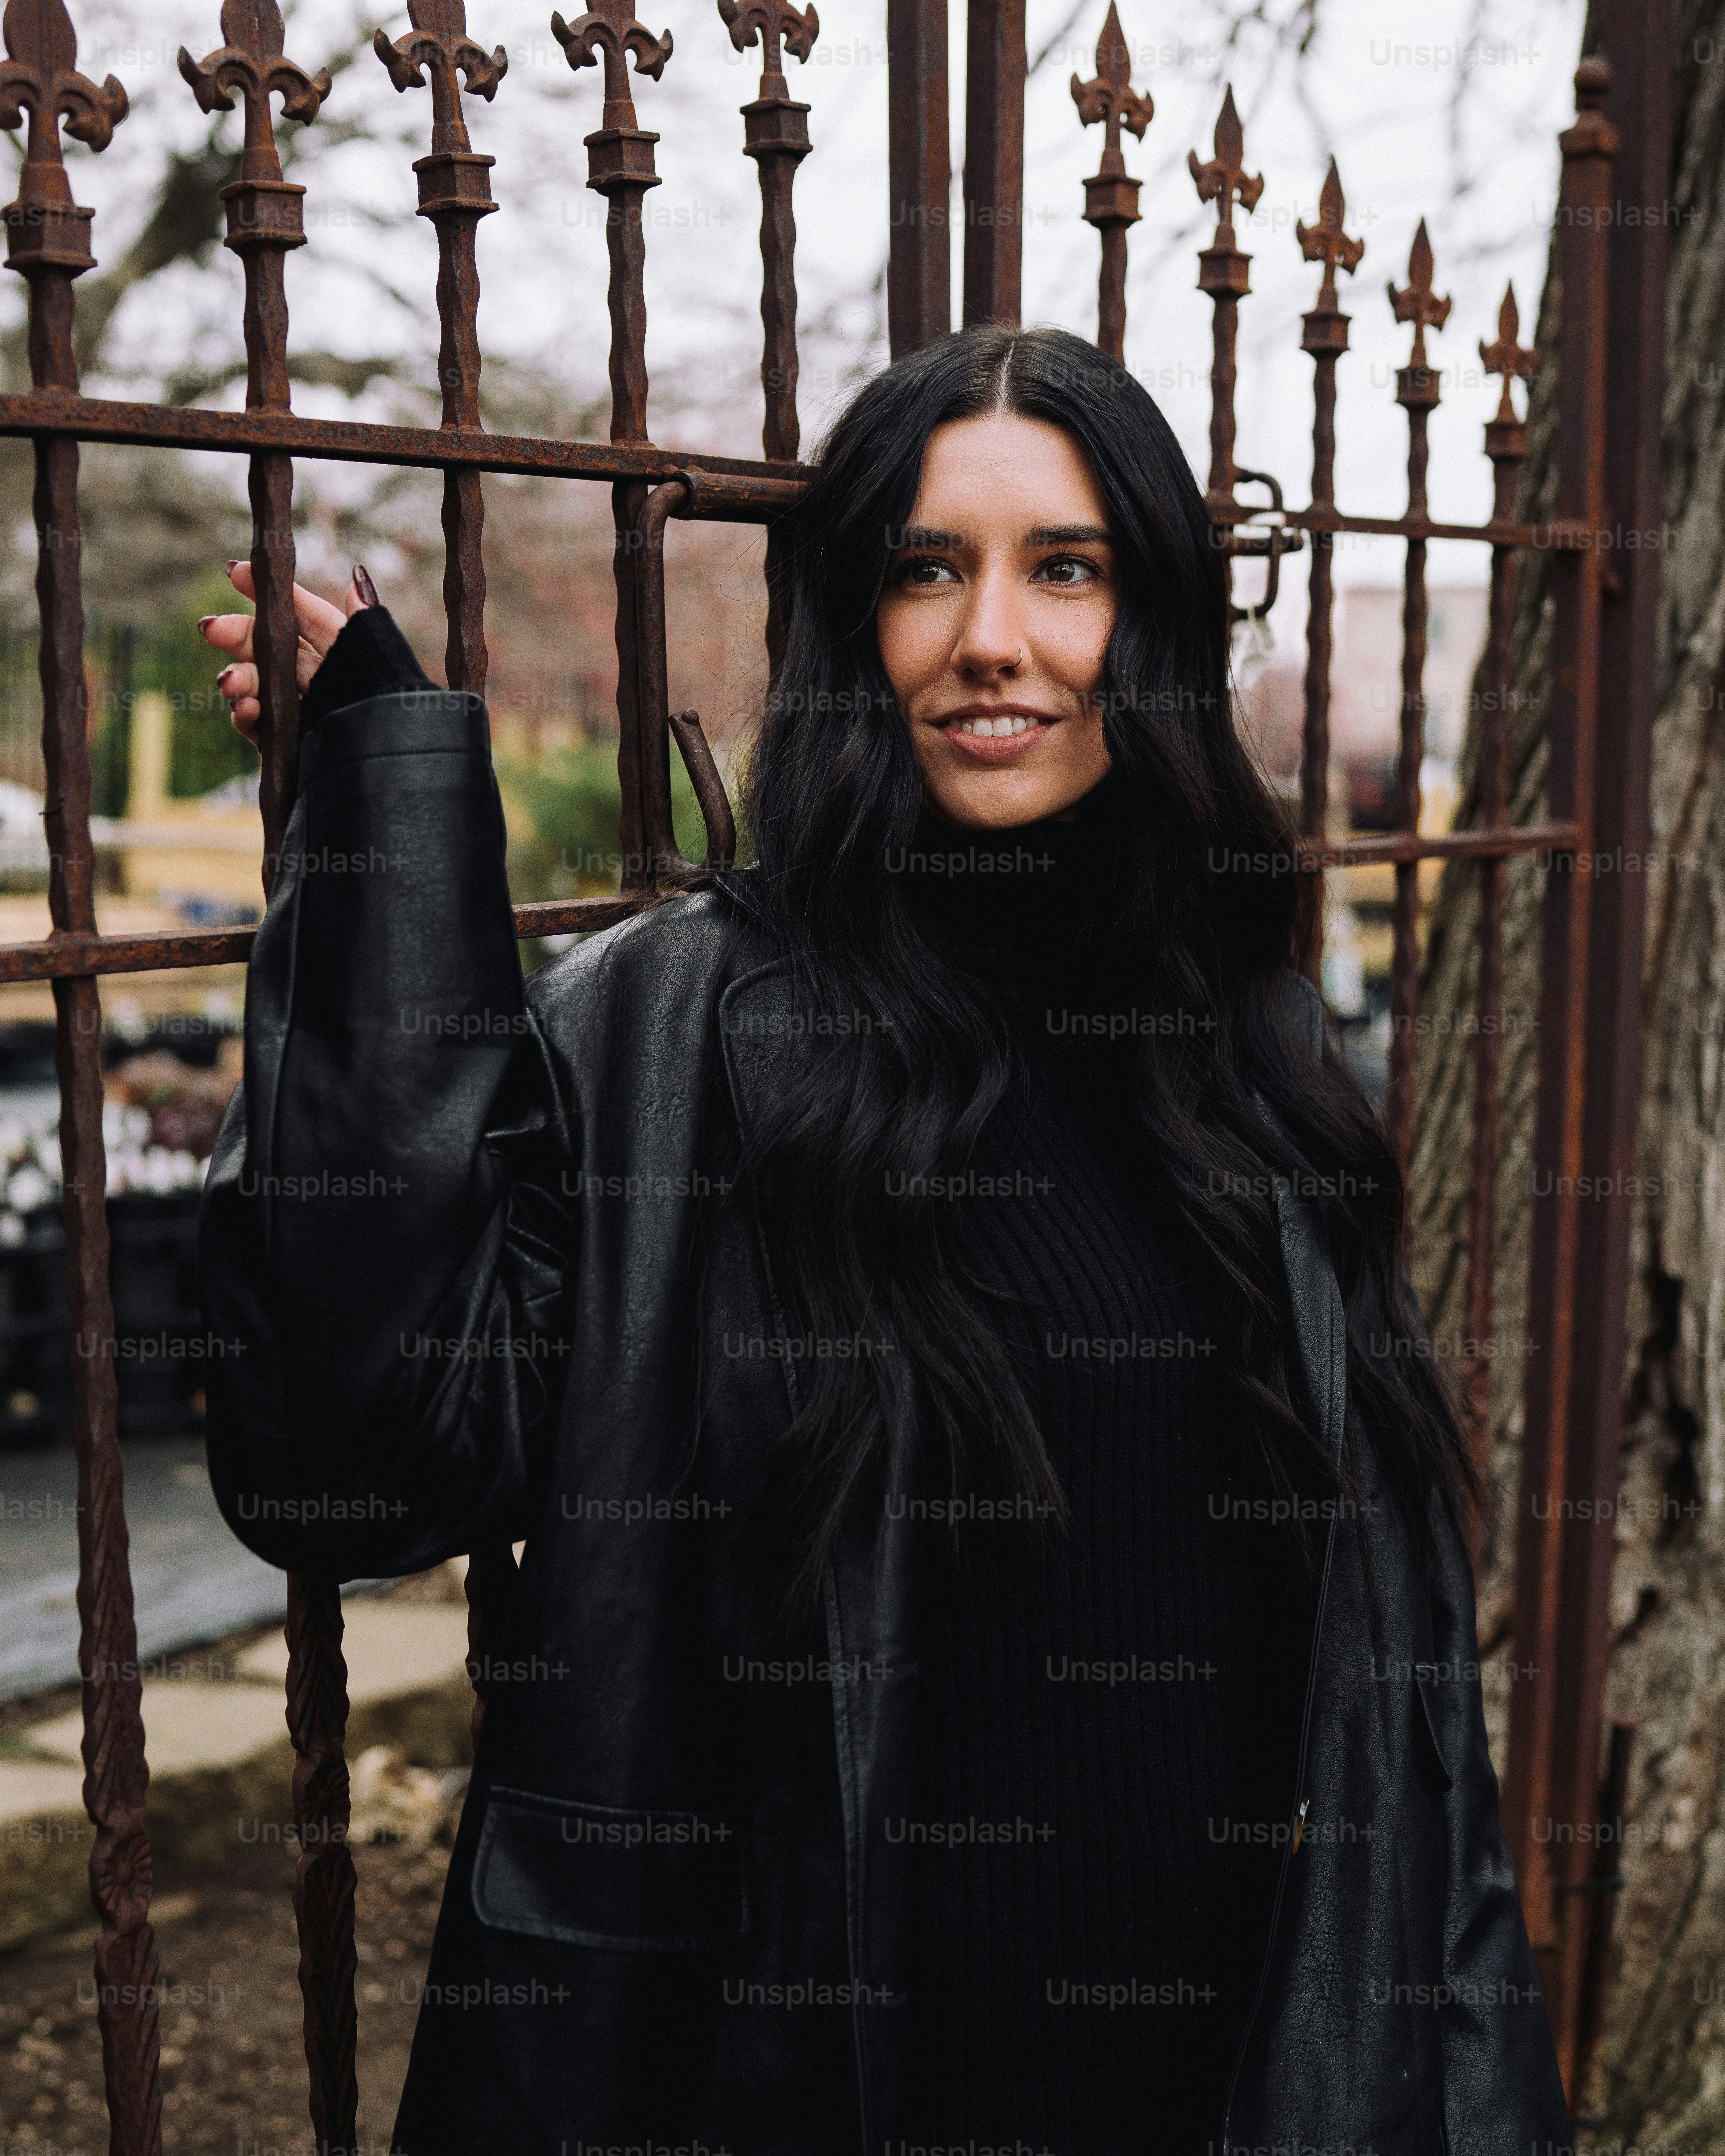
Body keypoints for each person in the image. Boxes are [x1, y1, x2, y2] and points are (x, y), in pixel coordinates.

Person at [198, 323, 1570, 2156]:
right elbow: (347, 1466)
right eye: (926, 568)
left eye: (1061, 568)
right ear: (854, 617)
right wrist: (380, 815)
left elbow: (1405, 1754)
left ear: (1146, 621)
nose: (987, 636)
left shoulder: (1250, 1058)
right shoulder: (672, 1036)